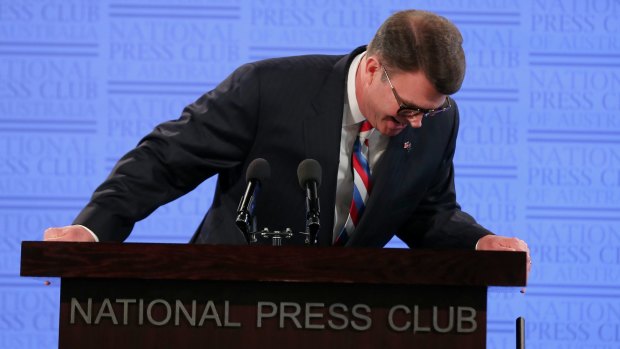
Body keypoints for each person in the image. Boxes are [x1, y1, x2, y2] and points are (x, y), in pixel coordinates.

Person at [43, 10, 530, 266]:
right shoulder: (268, 89)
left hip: (345, 322)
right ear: (375, 68)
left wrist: (479, 244)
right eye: (408, 107)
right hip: (225, 311)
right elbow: (166, 159)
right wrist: (92, 229)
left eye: (431, 110)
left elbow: (427, 212)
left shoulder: (437, 122)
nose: (418, 123)